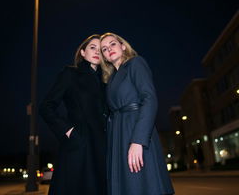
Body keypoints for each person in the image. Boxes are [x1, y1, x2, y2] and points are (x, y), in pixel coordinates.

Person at [100, 32, 174, 195]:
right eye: (104, 49)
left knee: (142, 185)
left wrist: (138, 140)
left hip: (135, 130)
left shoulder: (135, 63)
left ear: (123, 46)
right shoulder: (110, 79)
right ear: (104, 57)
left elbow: (149, 99)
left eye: (113, 44)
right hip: (119, 135)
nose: (109, 49)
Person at [39, 34, 108, 195]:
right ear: (82, 52)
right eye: (92, 47)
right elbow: (46, 107)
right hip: (80, 146)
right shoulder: (70, 74)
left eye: (100, 49)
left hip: (102, 148)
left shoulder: (106, 81)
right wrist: (68, 131)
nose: (97, 52)